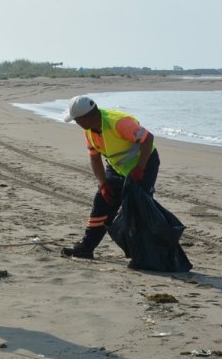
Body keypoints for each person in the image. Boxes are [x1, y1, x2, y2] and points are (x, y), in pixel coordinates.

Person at [60, 95, 159, 259]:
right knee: (102, 202)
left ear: (87, 117)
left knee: (138, 206)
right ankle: (86, 248)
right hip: (116, 168)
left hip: (144, 163)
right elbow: (94, 157)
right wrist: (103, 184)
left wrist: (140, 168)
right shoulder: (89, 130)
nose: (77, 124)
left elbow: (147, 138)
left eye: (77, 120)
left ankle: (145, 252)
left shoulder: (119, 123)